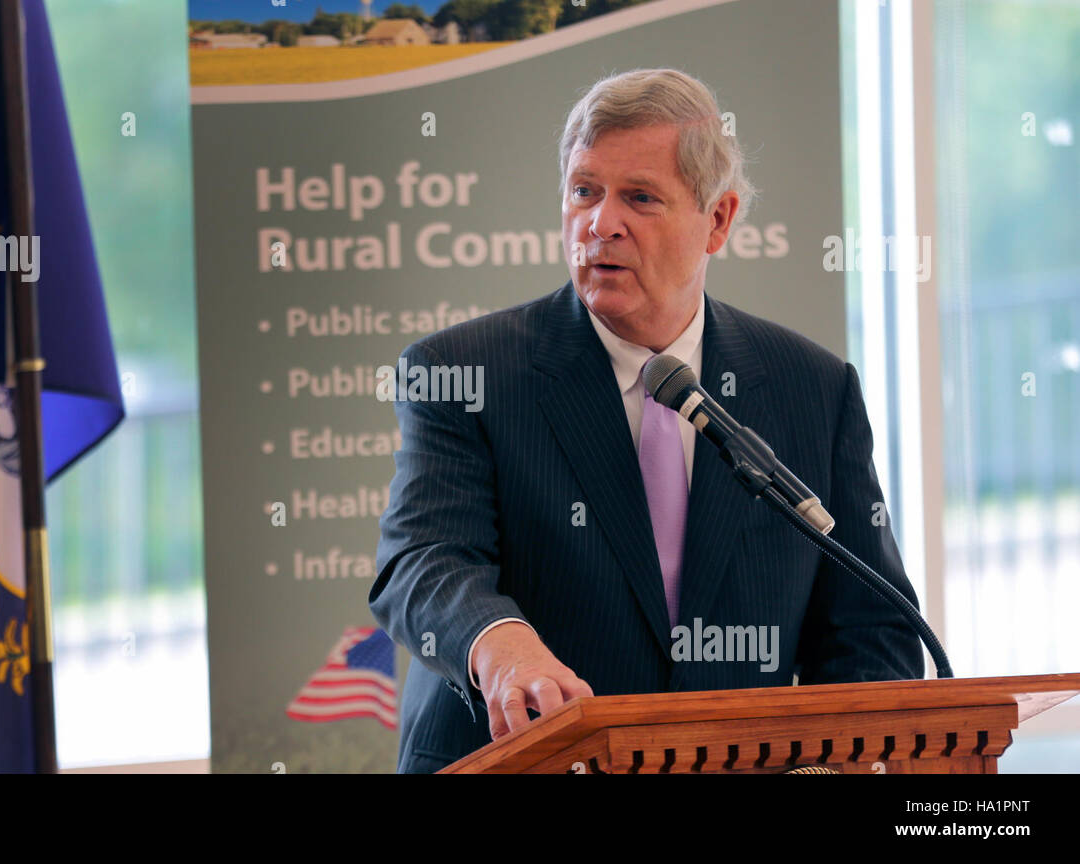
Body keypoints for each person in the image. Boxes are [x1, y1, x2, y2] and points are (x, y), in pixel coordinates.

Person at [370, 68, 924, 774]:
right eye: (583, 192)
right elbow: (420, 560)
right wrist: (501, 643)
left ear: (718, 220)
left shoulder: (812, 389)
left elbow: (871, 630)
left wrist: (837, 761)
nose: (601, 223)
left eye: (639, 197)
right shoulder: (464, 375)